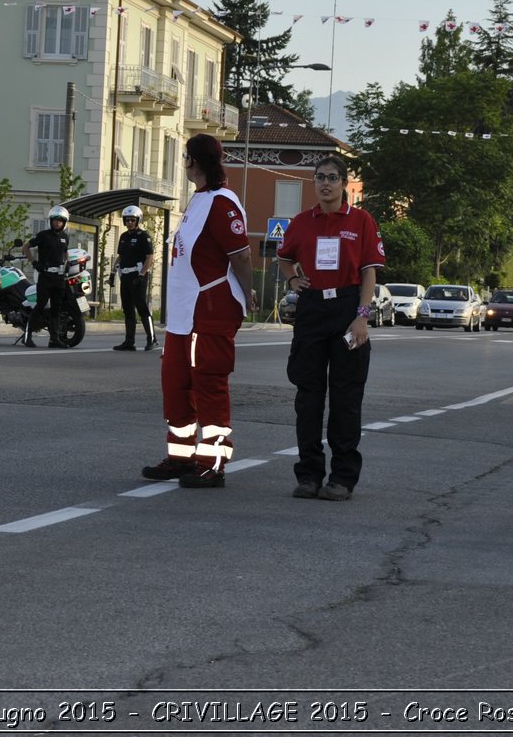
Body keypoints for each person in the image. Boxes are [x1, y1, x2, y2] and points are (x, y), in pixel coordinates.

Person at [140, 133, 255, 489]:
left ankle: (212, 463)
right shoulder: (199, 200)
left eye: (186, 157)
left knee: (208, 385)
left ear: (194, 161)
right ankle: (181, 457)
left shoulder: (222, 203)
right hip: (183, 314)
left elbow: (241, 255)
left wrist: (248, 293)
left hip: (209, 310)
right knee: (176, 385)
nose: (184, 163)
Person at [276, 153, 385, 502]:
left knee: (346, 397)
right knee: (308, 397)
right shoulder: (302, 222)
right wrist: (293, 279)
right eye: (320, 177)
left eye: (332, 177)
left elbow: (369, 271)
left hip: (347, 310)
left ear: (343, 182)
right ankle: (308, 474)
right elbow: (284, 256)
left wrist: (362, 315)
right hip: (312, 311)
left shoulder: (361, 221)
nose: (325, 183)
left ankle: (342, 477)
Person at [21, 205, 71, 348]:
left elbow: (65, 252)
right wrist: (34, 262)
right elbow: (26, 247)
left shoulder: (65, 237)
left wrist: (67, 263)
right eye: (55, 220)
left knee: (56, 308)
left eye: (60, 220)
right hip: (45, 275)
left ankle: (54, 339)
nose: (57, 223)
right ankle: (27, 335)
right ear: (50, 221)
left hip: (59, 277)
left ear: (64, 222)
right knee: (41, 305)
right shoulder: (43, 235)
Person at [112, 204, 156, 351]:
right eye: (127, 220)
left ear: (138, 221)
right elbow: (121, 256)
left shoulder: (144, 237)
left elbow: (150, 257)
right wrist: (112, 272)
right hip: (125, 276)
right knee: (128, 309)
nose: (130, 222)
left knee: (142, 307)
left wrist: (142, 274)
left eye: (133, 220)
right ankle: (129, 342)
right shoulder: (124, 237)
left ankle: (152, 339)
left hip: (138, 276)